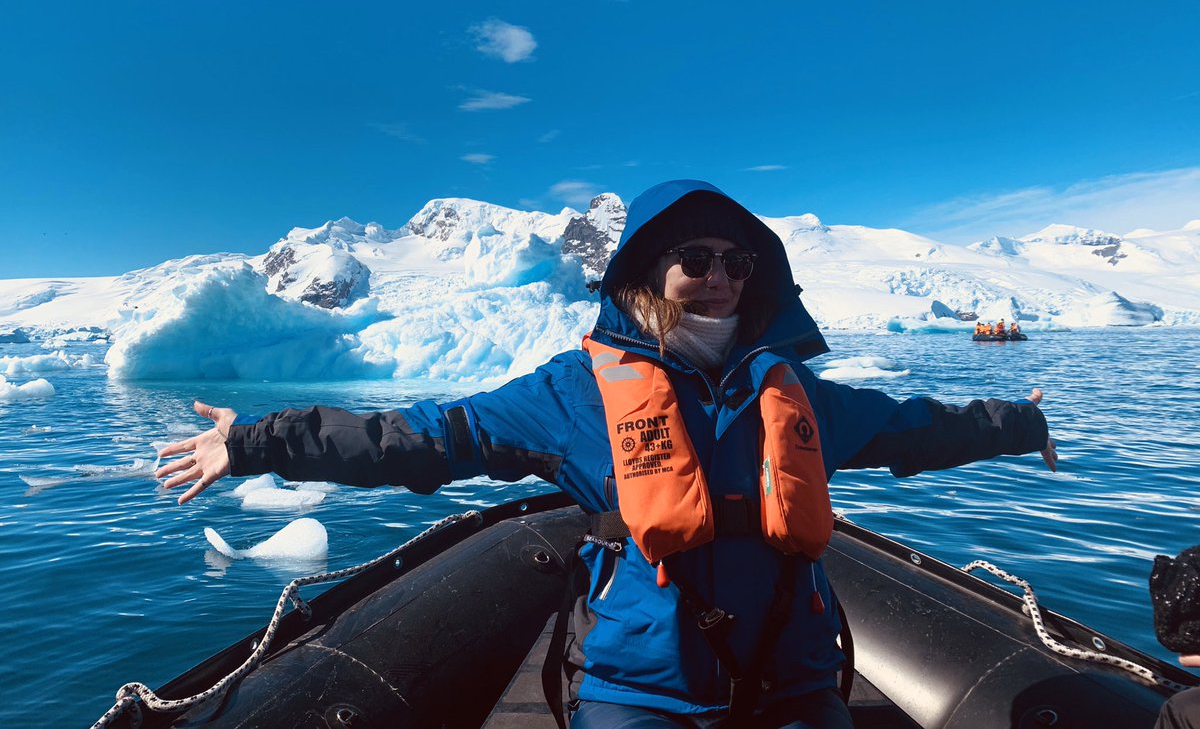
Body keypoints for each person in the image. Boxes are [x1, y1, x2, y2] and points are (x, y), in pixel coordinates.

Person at [156, 179, 1057, 728]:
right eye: (696, 258)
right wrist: (255, 441)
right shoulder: (574, 392)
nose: (720, 277)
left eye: (738, 262)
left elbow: (912, 428)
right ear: (647, 272)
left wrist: (1019, 424)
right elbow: (425, 436)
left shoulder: (795, 392)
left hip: (794, 683)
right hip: (641, 692)